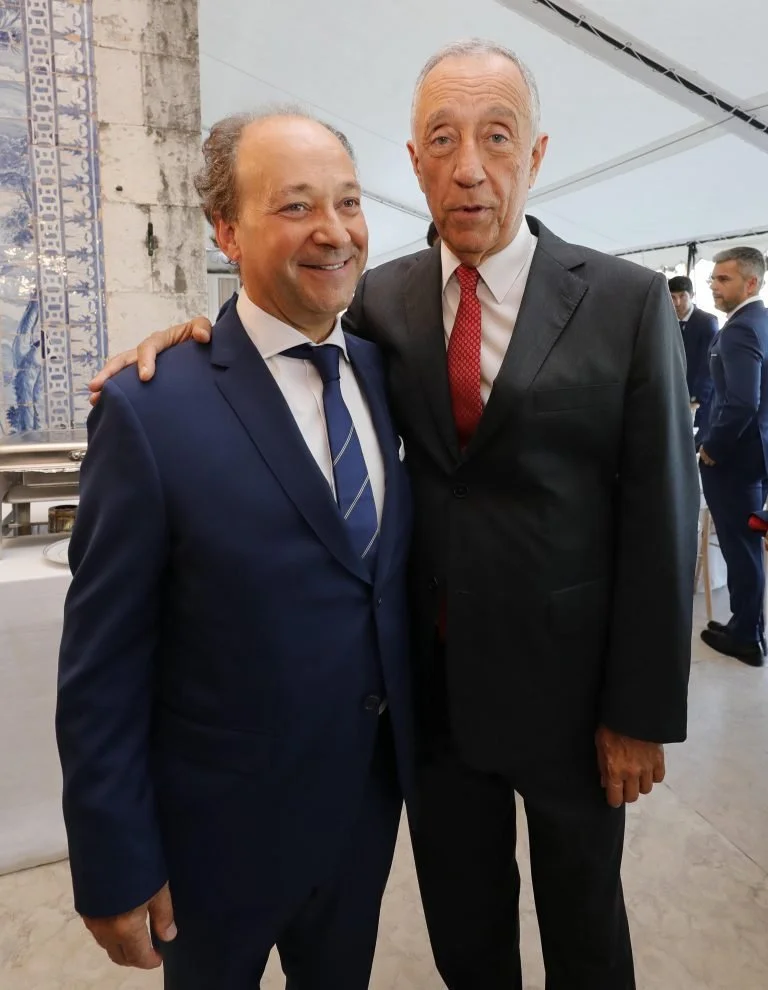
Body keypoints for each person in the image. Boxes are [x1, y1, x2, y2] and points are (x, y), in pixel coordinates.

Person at [90, 40, 699, 990]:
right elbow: (283, 343)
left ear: (535, 156)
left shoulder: (622, 301)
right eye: (442, 142)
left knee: (586, 925)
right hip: (433, 696)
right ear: (412, 163)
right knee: (467, 928)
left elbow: (664, 508)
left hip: (574, 698)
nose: (470, 168)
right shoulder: (383, 301)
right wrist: (187, 333)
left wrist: (643, 709)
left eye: (497, 139)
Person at [56, 109, 415, 990]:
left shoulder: (381, 369)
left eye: (348, 201)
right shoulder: (149, 410)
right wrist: (112, 858)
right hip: (216, 842)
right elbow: (100, 667)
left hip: (362, 816)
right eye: (294, 207)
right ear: (225, 227)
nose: (332, 231)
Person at [698, 247, 768, 668]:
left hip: (735, 458)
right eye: (713, 279)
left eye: (723, 280)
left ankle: (747, 637)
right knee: (745, 546)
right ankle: (746, 623)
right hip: (753, 452)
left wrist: (712, 447)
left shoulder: (742, 328)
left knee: (740, 548)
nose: (714, 287)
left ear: (750, 283)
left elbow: (742, 402)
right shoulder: (757, 321)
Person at [668, 274, 718, 435]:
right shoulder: (666, 321)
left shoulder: (707, 321)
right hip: (674, 393)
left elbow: (708, 364)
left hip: (700, 396)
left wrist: (696, 399)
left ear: (692, 295)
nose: (677, 303)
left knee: (698, 439)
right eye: (672, 297)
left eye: (682, 296)